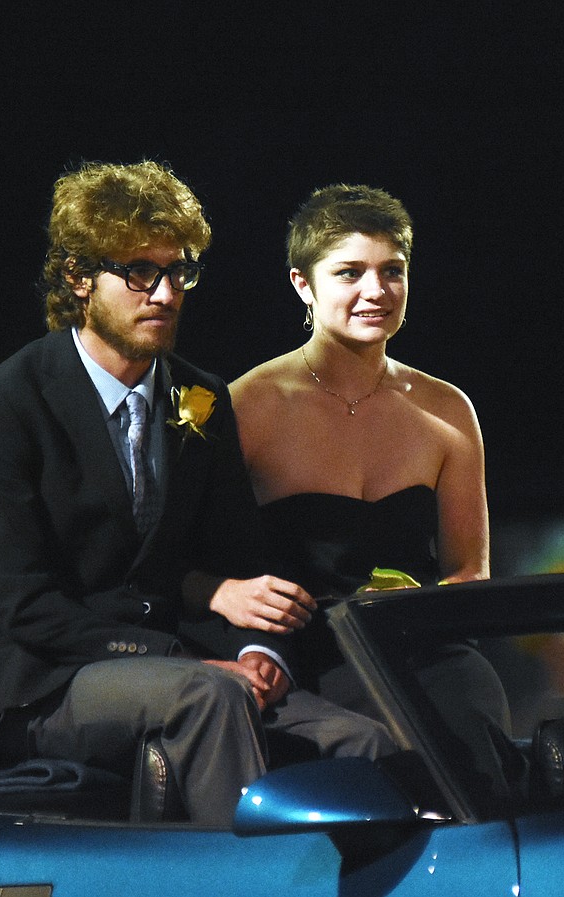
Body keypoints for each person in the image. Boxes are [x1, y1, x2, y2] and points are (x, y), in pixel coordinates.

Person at [0, 161, 391, 827]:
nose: (166, 291)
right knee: (209, 697)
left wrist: (258, 653)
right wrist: (190, 659)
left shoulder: (199, 398)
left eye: (179, 270)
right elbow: (24, 608)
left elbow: (234, 562)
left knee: (363, 742)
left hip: (182, 670)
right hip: (43, 680)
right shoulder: (2, 407)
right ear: (77, 278)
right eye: (140, 271)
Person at [230, 184, 513, 798]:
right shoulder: (249, 404)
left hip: (421, 652)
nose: (375, 292)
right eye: (350, 273)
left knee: (471, 700)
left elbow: (470, 571)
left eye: (393, 272)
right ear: (303, 284)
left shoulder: (448, 409)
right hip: (301, 662)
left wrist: (418, 612)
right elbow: (206, 559)